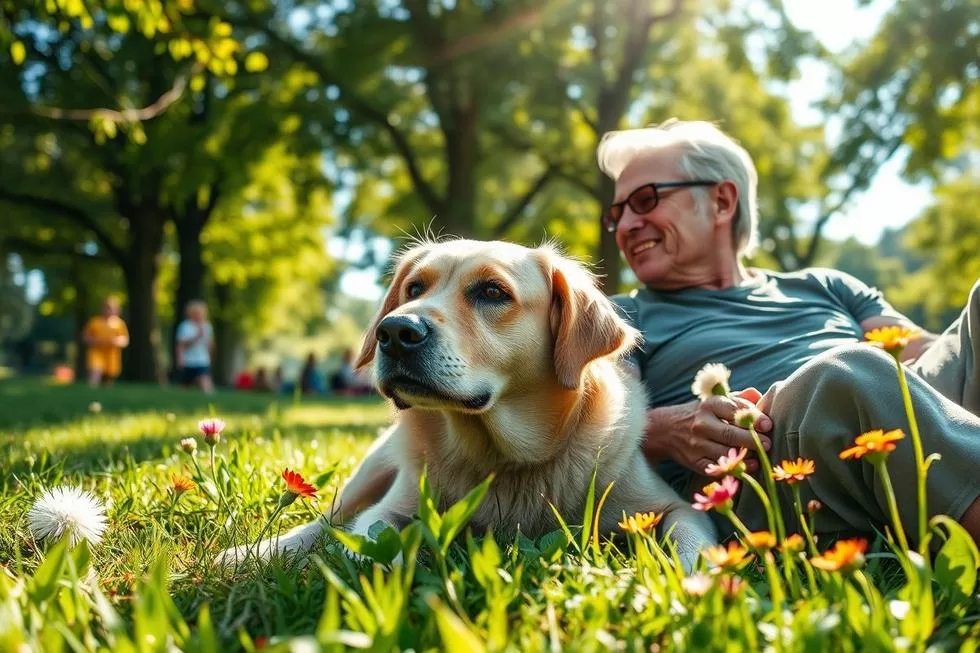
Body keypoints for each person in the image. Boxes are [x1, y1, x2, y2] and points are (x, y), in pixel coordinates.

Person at [601, 119, 980, 547]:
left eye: (645, 200)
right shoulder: (621, 317)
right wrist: (667, 428)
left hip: (882, 411)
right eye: (618, 213)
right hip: (769, 465)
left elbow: (929, 355)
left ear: (722, 201)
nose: (627, 224)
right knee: (852, 372)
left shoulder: (825, 285)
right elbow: (597, 427)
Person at [82, 295, 129, 387]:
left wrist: (116, 341)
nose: (108, 311)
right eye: (106, 308)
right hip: (96, 352)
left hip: (111, 354)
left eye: (111, 308)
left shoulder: (119, 324)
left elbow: (125, 340)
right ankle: (92, 389)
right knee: (95, 371)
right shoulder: (95, 322)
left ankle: (106, 394)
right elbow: (86, 337)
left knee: (109, 376)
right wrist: (94, 341)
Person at [175, 300, 215, 393]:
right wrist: (179, 359)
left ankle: (209, 398)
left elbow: (209, 344)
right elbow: (181, 345)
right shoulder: (185, 326)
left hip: (202, 360)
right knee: (185, 385)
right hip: (188, 361)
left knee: (205, 380)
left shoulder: (207, 326)